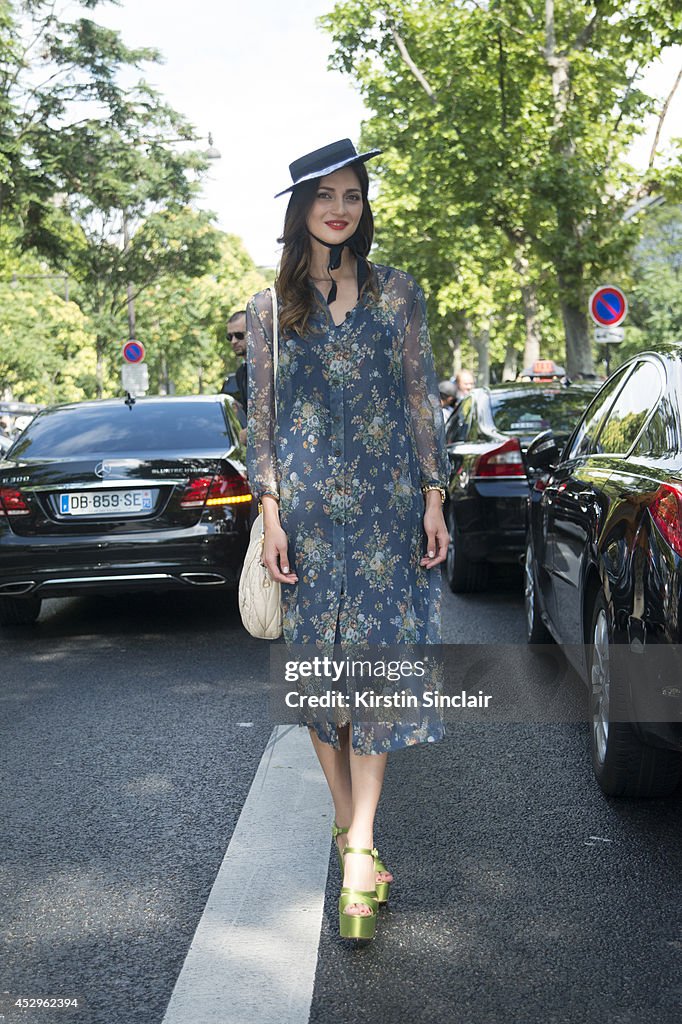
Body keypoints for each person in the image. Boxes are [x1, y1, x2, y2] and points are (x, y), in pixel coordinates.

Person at [245, 138, 449, 942]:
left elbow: (419, 398)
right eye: (326, 196)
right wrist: (268, 514)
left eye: (353, 196)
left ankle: (359, 846)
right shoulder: (267, 309)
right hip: (304, 526)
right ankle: (348, 826)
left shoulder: (399, 294)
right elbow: (260, 422)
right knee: (320, 695)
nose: (341, 209)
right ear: (300, 210)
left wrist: (434, 497)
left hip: (385, 515)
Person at [222, 310, 248, 444]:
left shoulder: (273, 367)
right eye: (229, 337)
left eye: (239, 335)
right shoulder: (240, 373)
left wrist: (251, 432)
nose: (233, 341)